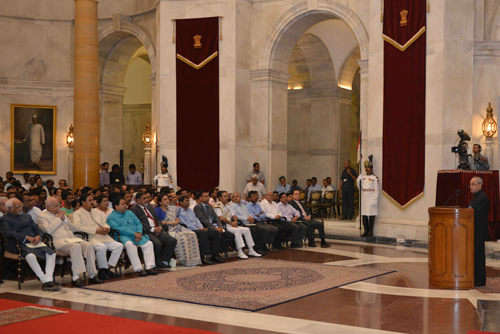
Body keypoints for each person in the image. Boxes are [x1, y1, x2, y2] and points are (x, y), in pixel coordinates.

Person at [38, 197, 103, 286]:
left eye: (59, 205)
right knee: (75, 246)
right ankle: (76, 277)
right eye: (56, 205)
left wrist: (65, 220)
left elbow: (74, 229)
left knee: (88, 245)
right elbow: (48, 230)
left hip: (71, 238)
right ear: (48, 206)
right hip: (57, 241)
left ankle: (92, 275)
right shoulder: (42, 216)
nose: (59, 207)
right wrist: (58, 219)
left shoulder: (61, 214)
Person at [0, 198, 60, 291]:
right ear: (10, 209)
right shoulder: (5, 219)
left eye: (21, 205)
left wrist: (39, 236)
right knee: (30, 256)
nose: (21, 208)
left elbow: (38, 229)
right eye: (17, 207)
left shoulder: (26, 216)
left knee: (52, 253)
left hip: (34, 242)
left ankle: (48, 279)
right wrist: (26, 237)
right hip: (17, 244)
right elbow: (7, 233)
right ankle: (45, 281)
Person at [73, 193, 123, 280]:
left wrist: (107, 229)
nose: (93, 202)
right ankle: (103, 270)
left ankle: (105, 268)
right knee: (102, 247)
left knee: (119, 246)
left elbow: (105, 223)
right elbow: (78, 227)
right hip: (90, 237)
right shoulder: (77, 213)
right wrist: (95, 231)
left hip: (103, 236)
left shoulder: (96, 211)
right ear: (83, 202)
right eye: (90, 200)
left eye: (93, 200)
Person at [107, 197, 157, 276]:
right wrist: (134, 234)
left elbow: (138, 223)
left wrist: (139, 233)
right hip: (123, 236)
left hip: (136, 235)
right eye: (122, 204)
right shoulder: (111, 217)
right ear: (116, 206)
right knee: (130, 244)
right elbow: (119, 228)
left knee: (149, 243)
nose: (125, 205)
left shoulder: (129, 213)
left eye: (125, 204)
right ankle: (139, 269)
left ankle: (149, 267)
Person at [131, 191, 177, 268]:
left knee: (172, 240)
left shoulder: (150, 207)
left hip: (157, 230)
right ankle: (154, 263)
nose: (147, 200)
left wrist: (159, 227)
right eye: (144, 198)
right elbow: (139, 223)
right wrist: (152, 229)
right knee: (157, 244)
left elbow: (157, 219)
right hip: (146, 232)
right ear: (137, 200)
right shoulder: (134, 209)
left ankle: (163, 260)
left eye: (147, 198)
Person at [178, 195, 227, 265]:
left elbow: (197, 220)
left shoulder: (190, 210)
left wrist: (202, 227)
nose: (188, 202)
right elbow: (185, 224)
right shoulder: (179, 211)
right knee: (203, 234)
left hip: (199, 228)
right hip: (189, 230)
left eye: (188, 200)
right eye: (186, 201)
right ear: (181, 202)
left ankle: (214, 255)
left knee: (214, 232)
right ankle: (203, 256)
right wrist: (198, 229)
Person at [155, 193, 201, 267]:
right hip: (166, 229)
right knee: (182, 238)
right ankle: (184, 260)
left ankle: (193, 260)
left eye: (168, 199)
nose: (167, 200)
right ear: (160, 202)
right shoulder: (158, 210)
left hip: (176, 226)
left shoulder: (172, 208)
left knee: (191, 234)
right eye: (165, 199)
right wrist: (169, 222)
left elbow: (177, 219)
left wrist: (175, 222)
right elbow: (158, 221)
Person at [214, 191, 261, 259]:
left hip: (231, 224)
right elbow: (221, 218)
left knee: (247, 230)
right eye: (225, 196)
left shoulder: (228, 205)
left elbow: (234, 215)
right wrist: (231, 223)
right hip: (224, 226)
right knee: (237, 231)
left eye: (227, 196)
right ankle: (240, 252)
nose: (227, 198)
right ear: (220, 198)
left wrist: (235, 221)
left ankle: (251, 250)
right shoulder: (217, 206)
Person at [193, 191, 235, 263]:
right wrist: (214, 228)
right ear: (200, 198)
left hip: (216, 226)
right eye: (205, 196)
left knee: (230, 236)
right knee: (217, 235)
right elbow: (203, 220)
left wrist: (220, 226)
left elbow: (216, 217)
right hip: (208, 227)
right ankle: (214, 254)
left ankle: (215, 251)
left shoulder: (210, 206)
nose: (208, 197)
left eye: (208, 196)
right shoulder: (198, 207)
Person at [468, 176, 490, 286]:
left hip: (479, 231)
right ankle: (474, 277)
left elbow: (475, 212)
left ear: (480, 185)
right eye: (470, 185)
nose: (470, 187)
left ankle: (480, 280)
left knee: (479, 256)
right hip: (473, 230)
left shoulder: (482, 197)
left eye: (473, 184)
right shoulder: (475, 197)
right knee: (474, 255)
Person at [357, 157, 380, 237]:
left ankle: (371, 231)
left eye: (368, 167)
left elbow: (377, 190)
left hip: (371, 198)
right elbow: (360, 188)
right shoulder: (363, 177)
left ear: (371, 168)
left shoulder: (375, 178)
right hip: (364, 199)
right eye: (365, 167)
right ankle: (366, 231)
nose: (366, 169)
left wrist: (375, 200)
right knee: (364, 214)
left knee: (371, 215)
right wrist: (358, 181)